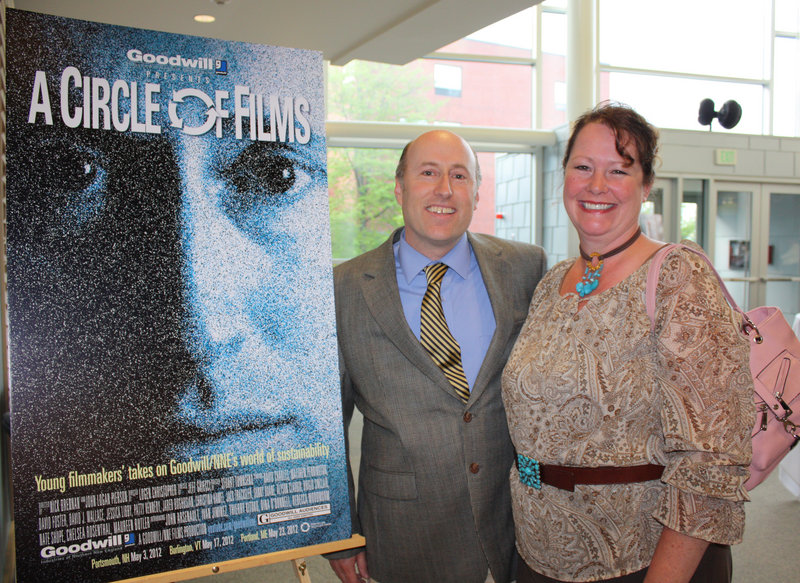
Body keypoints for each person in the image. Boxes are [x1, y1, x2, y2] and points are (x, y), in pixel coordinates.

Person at [502, 103, 753, 583]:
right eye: (583, 167)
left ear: (646, 185)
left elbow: (712, 460)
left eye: (619, 170)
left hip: (642, 559)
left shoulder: (679, 277)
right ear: (565, 177)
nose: (597, 186)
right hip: (539, 553)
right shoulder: (552, 283)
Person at [327, 129, 546, 583]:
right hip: (404, 531)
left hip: (515, 522)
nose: (444, 189)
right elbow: (328, 426)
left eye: (459, 175)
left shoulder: (526, 268)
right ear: (400, 186)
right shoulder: (342, 288)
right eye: (428, 173)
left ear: (477, 192)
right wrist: (341, 534)